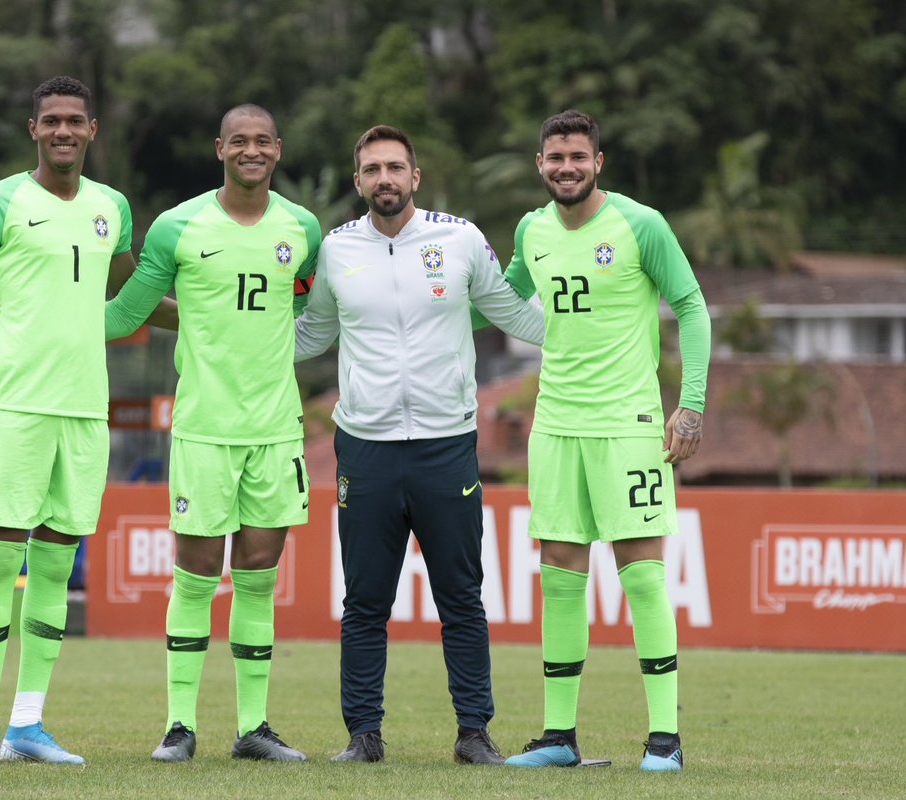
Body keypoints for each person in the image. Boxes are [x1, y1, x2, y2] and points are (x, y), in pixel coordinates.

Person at [293, 125, 546, 765]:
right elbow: (310, 334)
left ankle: (473, 733)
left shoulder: (459, 239)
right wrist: (226, 340)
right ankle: (363, 735)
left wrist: (596, 327)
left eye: (395, 167)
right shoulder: (336, 249)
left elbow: (513, 312)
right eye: (372, 169)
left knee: (460, 596)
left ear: (415, 176)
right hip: (366, 449)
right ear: (358, 181)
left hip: (446, 445)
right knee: (364, 602)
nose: (385, 178)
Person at [0, 75, 172, 766]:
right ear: (34, 130)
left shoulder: (112, 206)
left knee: (56, 564)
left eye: (75, 120)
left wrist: (218, 312)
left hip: (83, 410)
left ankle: (27, 725)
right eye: (52, 121)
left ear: (92, 130)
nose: (63, 131)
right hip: (13, 407)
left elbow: (129, 302)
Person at [103, 104, 319, 763]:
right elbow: (125, 314)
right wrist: (32, 314)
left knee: (257, 577)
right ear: (218, 147)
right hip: (203, 427)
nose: (251, 150)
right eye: (239, 141)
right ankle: (179, 726)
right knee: (196, 576)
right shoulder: (177, 226)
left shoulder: (303, 228)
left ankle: (253, 728)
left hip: (275, 430)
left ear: (278, 148)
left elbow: (298, 308)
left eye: (262, 141)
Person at [498, 110, 709, 772]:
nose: (566, 167)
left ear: (598, 162)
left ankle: (665, 740)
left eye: (577, 157)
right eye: (555, 157)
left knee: (641, 575)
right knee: (560, 577)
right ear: (539, 164)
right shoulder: (530, 230)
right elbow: (502, 300)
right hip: (556, 425)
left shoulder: (640, 224)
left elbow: (692, 306)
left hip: (628, 424)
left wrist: (691, 405)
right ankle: (558, 738)